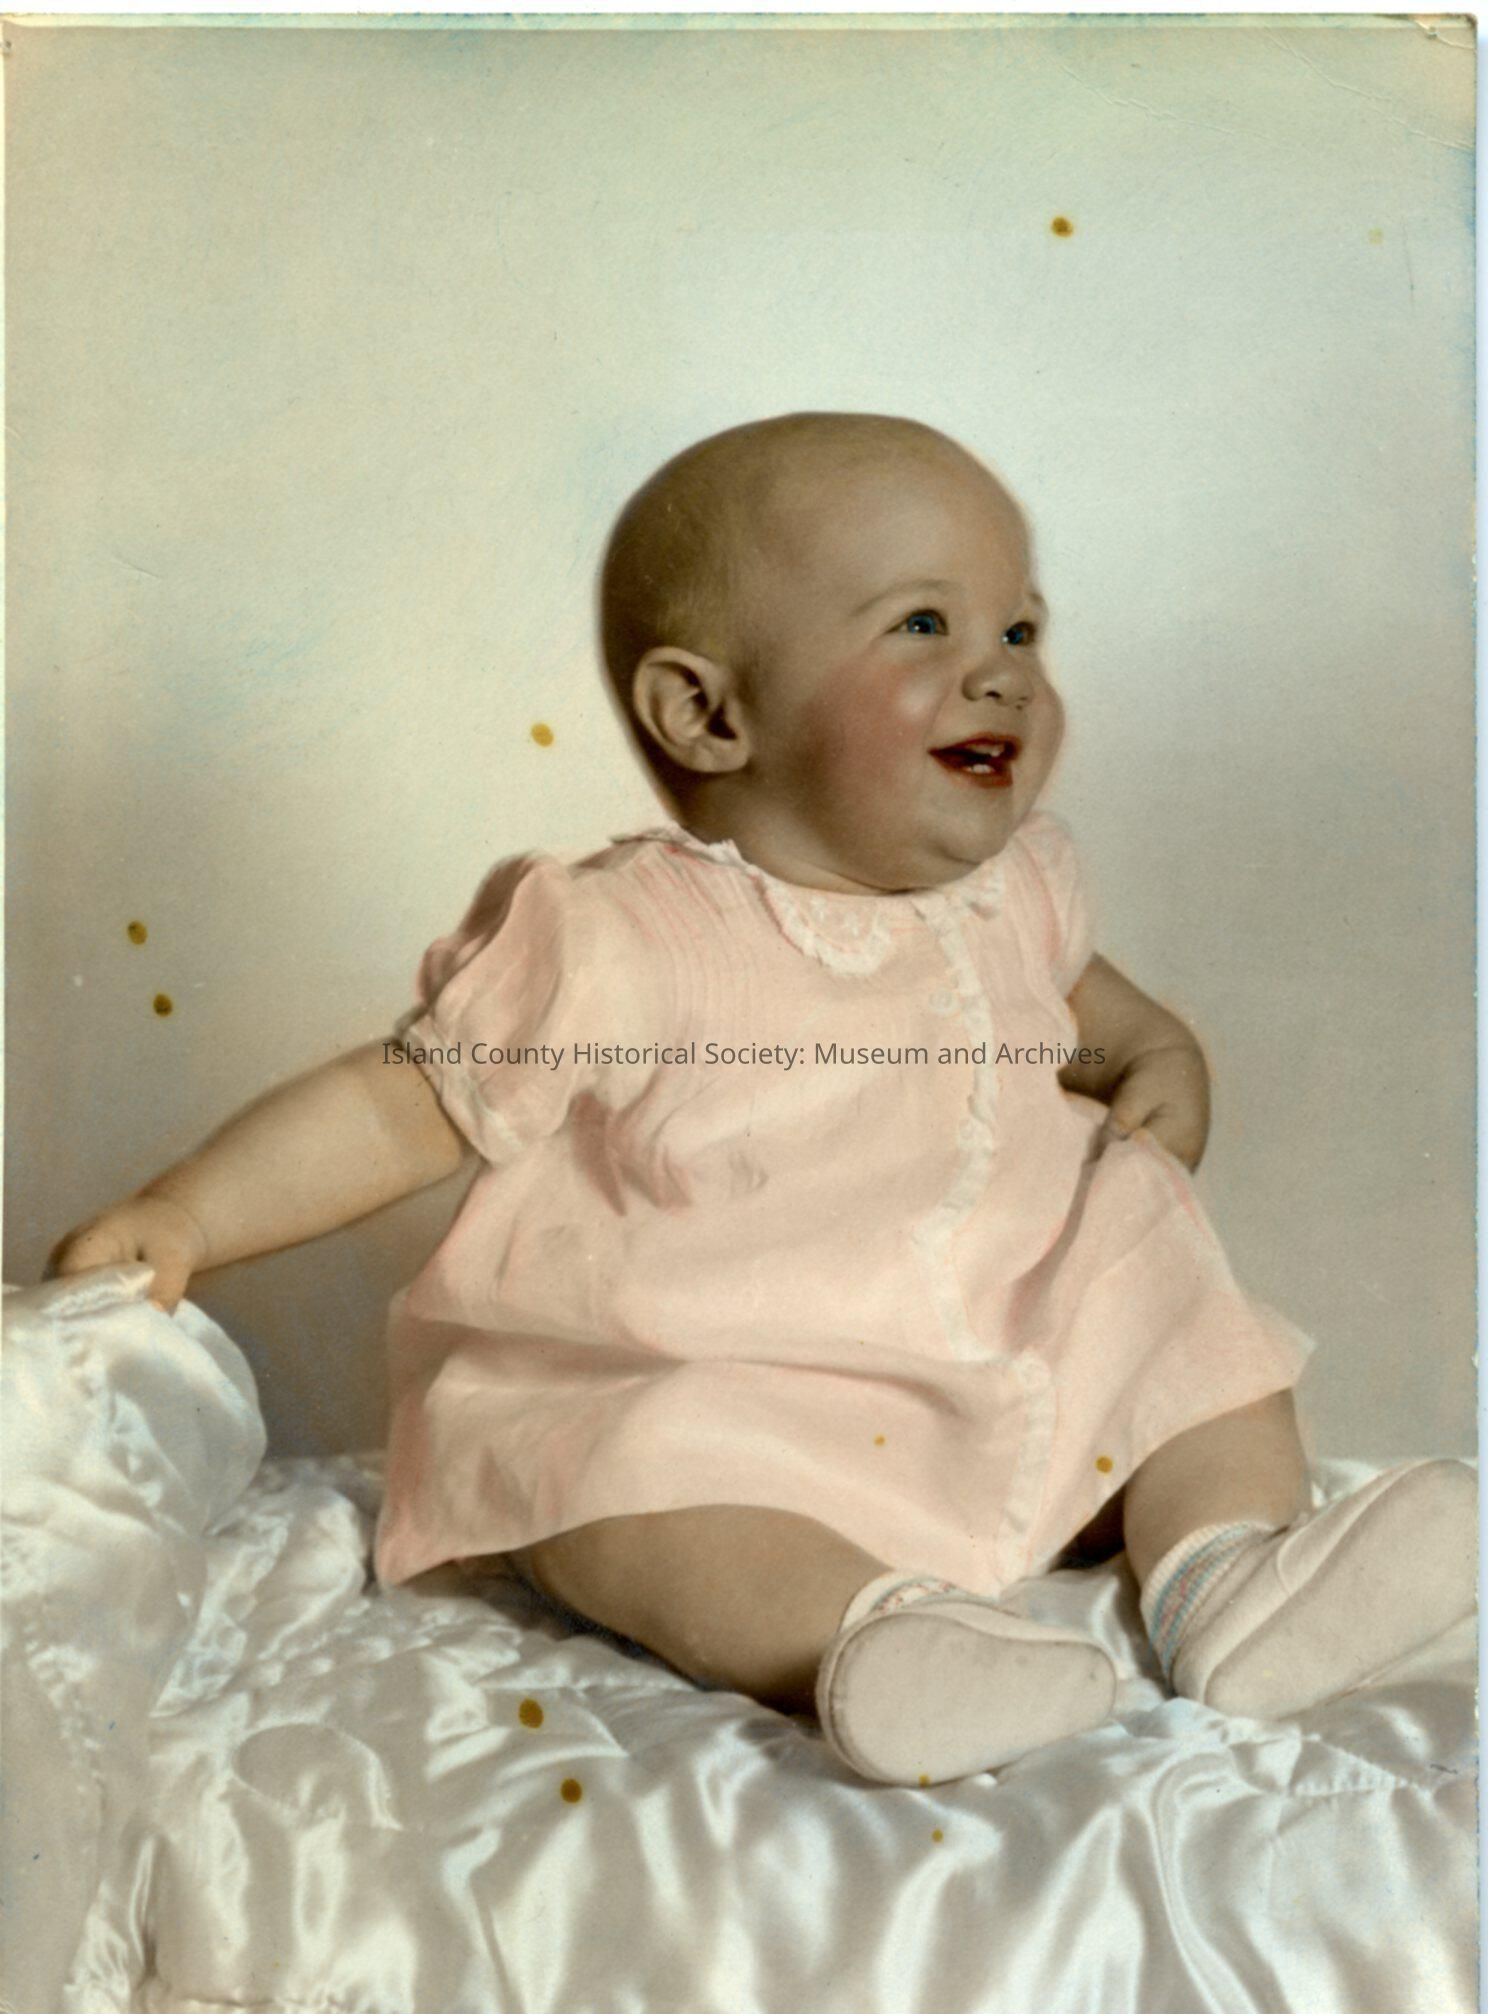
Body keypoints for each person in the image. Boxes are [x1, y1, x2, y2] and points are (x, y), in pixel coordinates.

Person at [52, 411, 1474, 1787]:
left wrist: (1162, 1070)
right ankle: (870, 1637)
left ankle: (1228, 1572)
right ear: (709, 712)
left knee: (1164, 1287)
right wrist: (192, 1214)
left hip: (996, 1343)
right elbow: (397, 1109)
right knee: (633, 1480)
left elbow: (1106, 1026)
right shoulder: (624, 938)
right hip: (722, 1381)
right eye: (925, 625)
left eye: (1020, 632)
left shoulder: (1016, 892)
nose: (1001, 677)